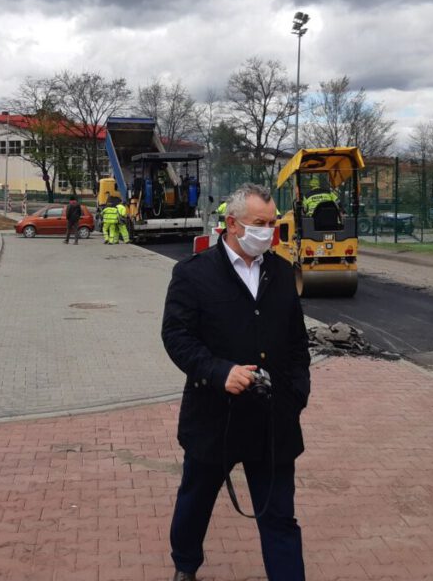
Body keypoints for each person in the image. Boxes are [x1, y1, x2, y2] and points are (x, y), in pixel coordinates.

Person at [161, 183, 310, 581]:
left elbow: (298, 342)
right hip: (215, 417)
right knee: (195, 502)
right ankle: (185, 565)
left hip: (272, 420)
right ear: (232, 224)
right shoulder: (194, 274)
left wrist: (297, 393)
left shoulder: (282, 273)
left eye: (273, 223)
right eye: (260, 223)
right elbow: (176, 337)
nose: (269, 232)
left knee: (280, 517)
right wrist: (217, 371)